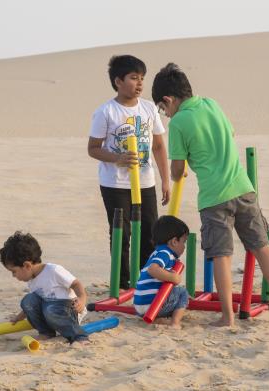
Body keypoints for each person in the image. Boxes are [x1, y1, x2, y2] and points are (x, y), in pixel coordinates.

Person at [151, 63, 269, 329]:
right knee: (261, 247)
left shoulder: (178, 123)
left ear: (168, 100)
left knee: (221, 254)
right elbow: (230, 133)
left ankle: (227, 317)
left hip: (213, 196)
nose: (166, 114)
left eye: (164, 110)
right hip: (243, 187)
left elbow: (176, 170)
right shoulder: (211, 103)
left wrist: (180, 172)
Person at [88, 55, 170, 290]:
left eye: (142, 78)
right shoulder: (105, 112)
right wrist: (117, 158)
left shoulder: (148, 109)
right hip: (115, 184)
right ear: (118, 81)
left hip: (146, 182)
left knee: (150, 232)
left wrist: (165, 180)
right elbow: (93, 148)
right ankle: (122, 283)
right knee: (121, 235)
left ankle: (146, 278)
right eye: (134, 78)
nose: (139, 83)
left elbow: (158, 146)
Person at [0, 231, 89, 344]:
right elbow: (37, 300)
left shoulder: (53, 270)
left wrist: (82, 300)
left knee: (50, 309)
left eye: (14, 271)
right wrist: (20, 316)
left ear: (27, 265)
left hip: (68, 310)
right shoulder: (32, 279)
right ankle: (46, 332)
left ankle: (79, 336)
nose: (13, 276)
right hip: (48, 309)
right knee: (28, 300)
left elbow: (76, 284)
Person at [133, 215, 189, 329]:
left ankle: (157, 318)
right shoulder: (165, 253)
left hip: (139, 306)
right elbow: (153, 269)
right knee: (183, 292)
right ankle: (175, 323)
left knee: (174, 292)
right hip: (153, 305)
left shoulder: (155, 253)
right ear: (174, 241)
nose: (184, 247)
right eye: (184, 242)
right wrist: (174, 278)